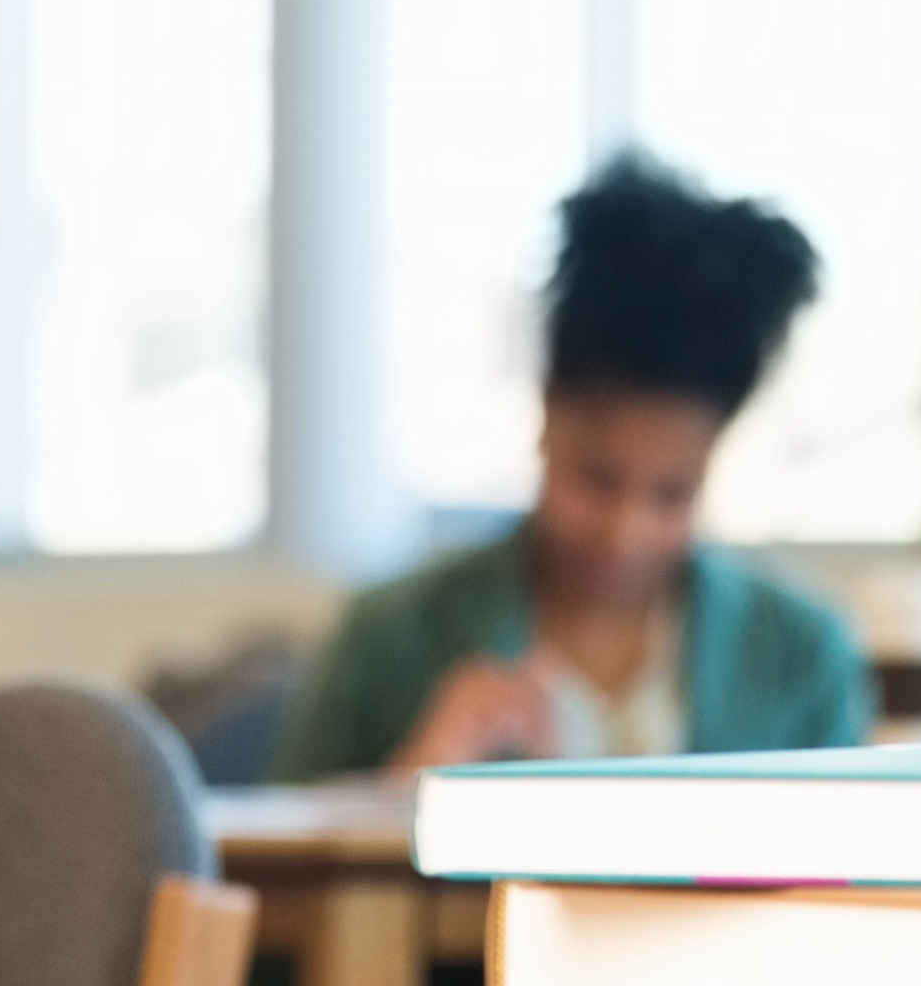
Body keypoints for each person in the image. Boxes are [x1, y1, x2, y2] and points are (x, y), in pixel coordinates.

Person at [275, 154, 870, 781]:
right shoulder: (390, 638)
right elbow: (267, 857)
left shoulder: (802, 654)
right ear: (545, 419)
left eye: (672, 494)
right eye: (597, 479)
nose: (626, 531)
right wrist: (408, 785)